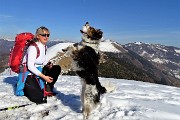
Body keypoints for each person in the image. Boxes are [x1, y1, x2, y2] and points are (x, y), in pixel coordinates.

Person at [22, 26, 61, 104]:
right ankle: (25, 86)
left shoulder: (44, 46)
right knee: (40, 99)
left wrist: (47, 64)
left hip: (38, 71)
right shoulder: (33, 47)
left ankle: (48, 87)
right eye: (43, 35)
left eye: (47, 35)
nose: (46, 37)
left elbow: (42, 60)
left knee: (56, 68)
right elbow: (30, 66)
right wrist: (44, 77)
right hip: (29, 73)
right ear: (37, 36)